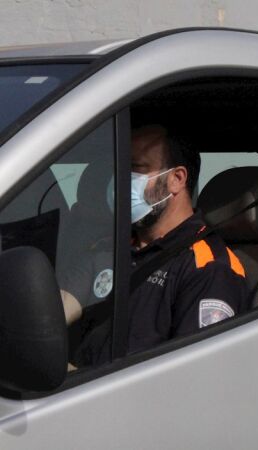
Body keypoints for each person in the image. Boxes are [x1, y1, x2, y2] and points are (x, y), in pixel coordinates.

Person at [63, 124, 248, 363]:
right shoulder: (110, 247)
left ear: (176, 179)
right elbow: (55, 313)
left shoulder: (208, 267)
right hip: (74, 382)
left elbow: (195, 369)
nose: (120, 180)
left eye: (136, 168)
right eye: (120, 168)